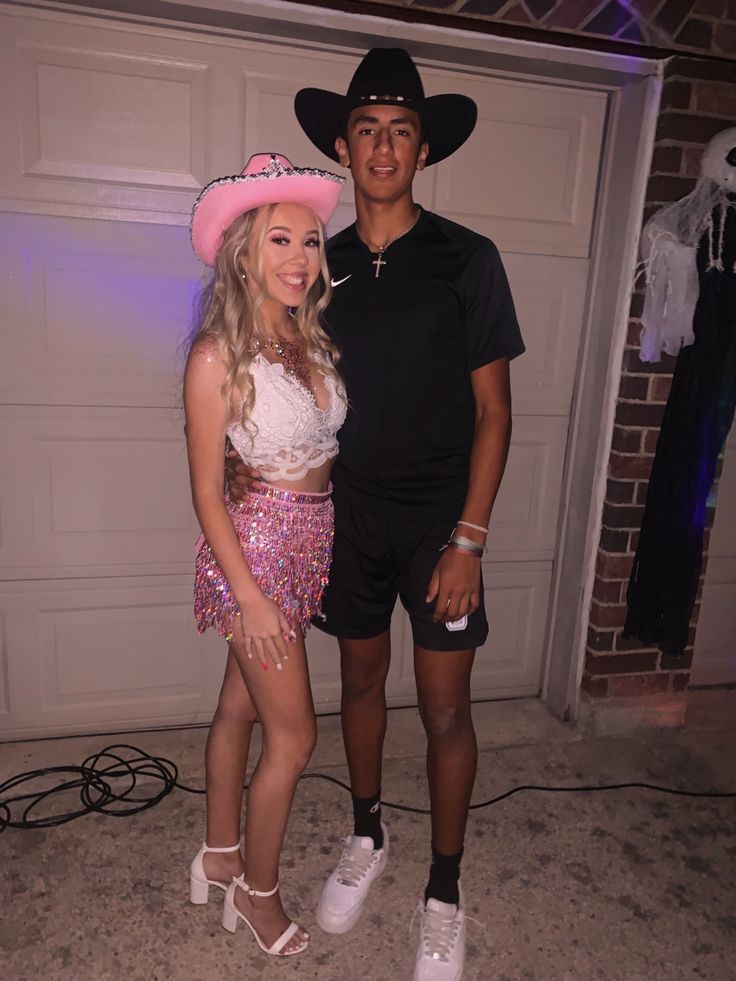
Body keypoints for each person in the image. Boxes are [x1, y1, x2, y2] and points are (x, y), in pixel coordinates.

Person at [229, 48, 525, 981]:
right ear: (343, 147)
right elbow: (267, 370)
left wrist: (470, 536)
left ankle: (444, 886)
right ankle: (367, 831)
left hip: (442, 523)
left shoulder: (469, 260)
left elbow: (495, 411)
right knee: (360, 684)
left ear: (423, 148)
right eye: (367, 129)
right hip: (346, 522)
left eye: (401, 129)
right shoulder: (320, 264)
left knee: (444, 708)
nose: (384, 144)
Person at [184, 152, 346, 958]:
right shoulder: (218, 353)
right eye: (280, 240)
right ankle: (257, 893)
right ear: (243, 249)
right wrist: (249, 596)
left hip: (305, 545)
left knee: (241, 708)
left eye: (312, 242)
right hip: (254, 554)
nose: (299, 259)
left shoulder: (301, 334)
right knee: (296, 739)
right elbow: (210, 491)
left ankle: (218, 851)